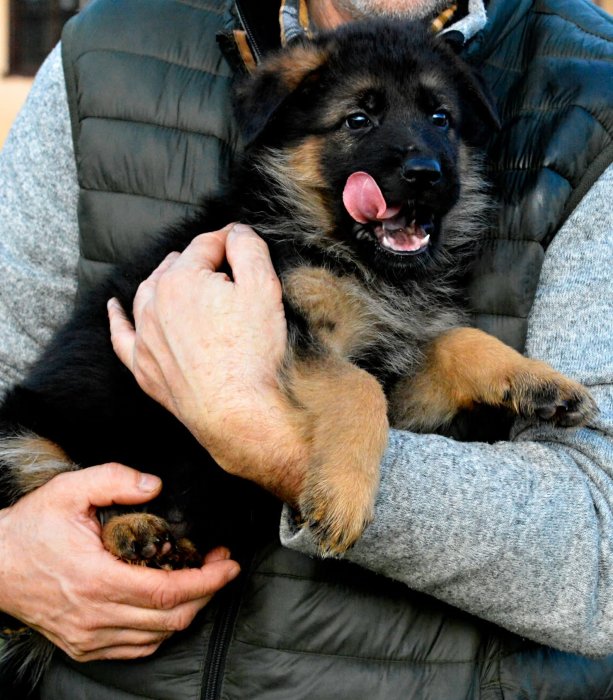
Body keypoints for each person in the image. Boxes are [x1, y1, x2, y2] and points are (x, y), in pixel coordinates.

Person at [0, 0, 612, 697]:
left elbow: (600, 553)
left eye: (440, 120)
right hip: (65, 460)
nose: (418, 153)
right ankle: (124, 530)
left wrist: (283, 447)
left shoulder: (597, 96)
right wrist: (9, 563)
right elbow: (309, 360)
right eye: (359, 121)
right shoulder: (104, 54)